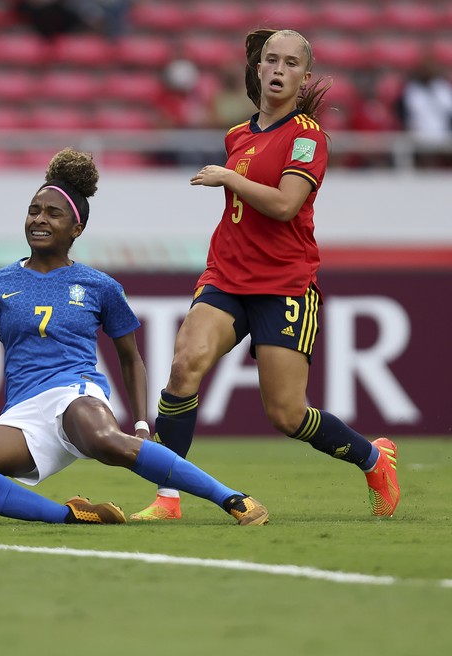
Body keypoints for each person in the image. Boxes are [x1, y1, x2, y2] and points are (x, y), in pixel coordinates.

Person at [0, 147, 269, 527]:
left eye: (53, 213)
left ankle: (233, 499)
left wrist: (143, 424)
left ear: (76, 228)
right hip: (24, 412)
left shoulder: (100, 285)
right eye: (34, 210)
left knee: (104, 439)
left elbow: (130, 359)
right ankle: (73, 517)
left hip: (76, 392)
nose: (39, 219)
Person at [128, 29, 400, 522]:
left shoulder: (307, 136)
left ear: (304, 76)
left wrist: (230, 177)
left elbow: (284, 205)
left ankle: (374, 459)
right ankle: (168, 499)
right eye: (271, 60)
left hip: (284, 285)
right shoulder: (238, 134)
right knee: (184, 365)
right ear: (258, 70)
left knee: (286, 415)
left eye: (290, 63)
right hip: (226, 276)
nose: (279, 69)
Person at [393, 58, 452, 168]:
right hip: (418, 135)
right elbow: (403, 114)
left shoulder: (443, 88)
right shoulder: (411, 90)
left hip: (443, 135)